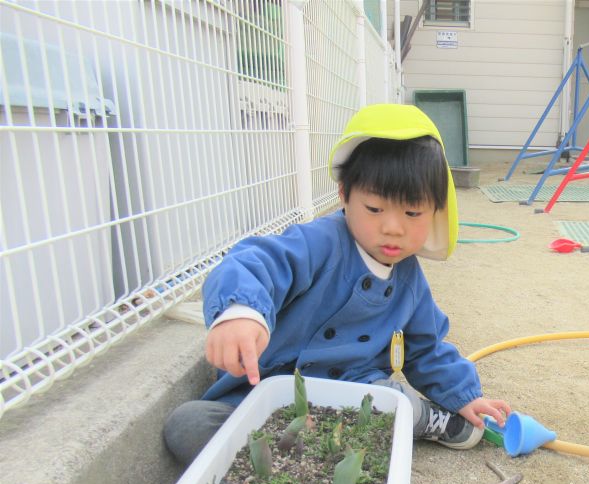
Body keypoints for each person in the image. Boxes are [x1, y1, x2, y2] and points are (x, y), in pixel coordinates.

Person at [163, 103, 510, 465]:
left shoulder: (409, 278)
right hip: (266, 392)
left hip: (351, 396)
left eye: (412, 213)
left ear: (436, 211)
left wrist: (463, 394)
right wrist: (241, 312)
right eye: (375, 209)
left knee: (394, 402)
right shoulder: (319, 243)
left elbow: (426, 347)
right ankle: (307, 460)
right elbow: (254, 262)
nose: (393, 227)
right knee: (188, 424)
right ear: (344, 195)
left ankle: (415, 420)